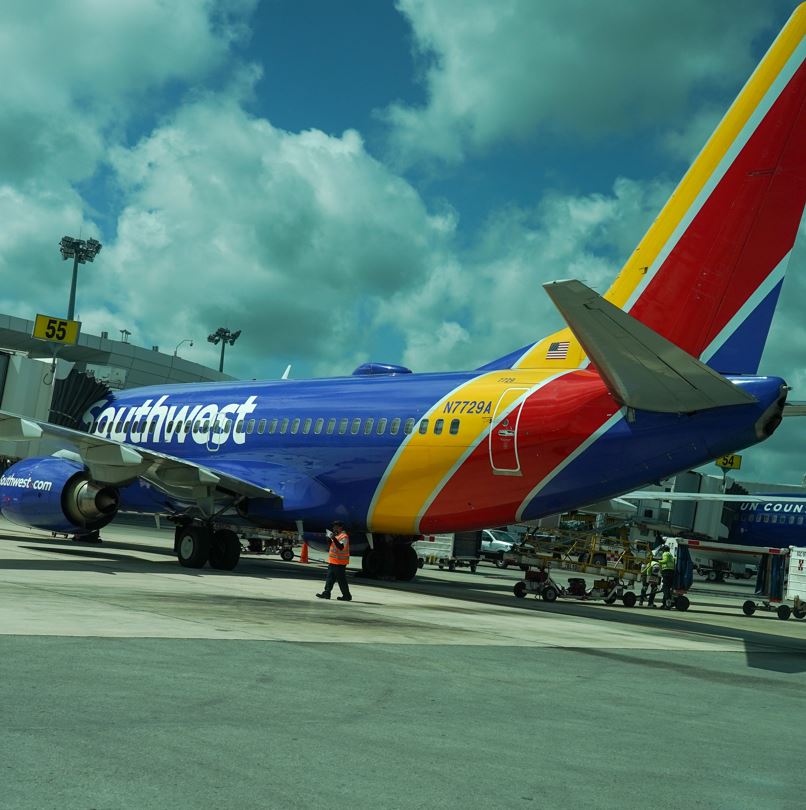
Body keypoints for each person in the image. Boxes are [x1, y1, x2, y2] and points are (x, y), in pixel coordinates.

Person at [316, 521, 352, 601]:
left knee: (341, 580)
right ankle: (326, 593)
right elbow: (331, 545)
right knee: (330, 578)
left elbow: (340, 547)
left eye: (335, 526)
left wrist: (333, 538)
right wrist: (329, 538)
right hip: (333, 561)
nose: (333, 528)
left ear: (340, 527)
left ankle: (347, 595)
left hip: (340, 562)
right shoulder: (337, 535)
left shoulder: (344, 536)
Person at [659, 544, 676, 608]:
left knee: (664, 588)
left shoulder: (665, 553)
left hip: (666, 571)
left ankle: (668, 600)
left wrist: (658, 561)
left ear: (664, 550)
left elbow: (665, 561)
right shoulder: (671, 555)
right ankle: (664, 604)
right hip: (671, 572)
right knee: (667, 588)